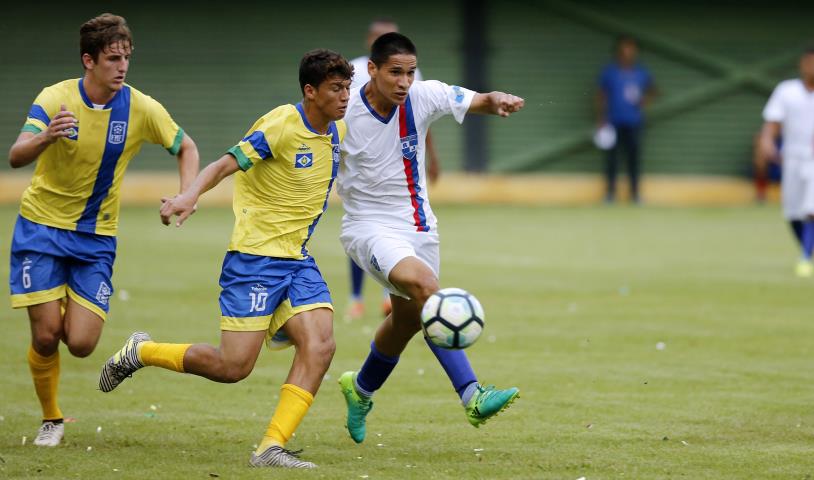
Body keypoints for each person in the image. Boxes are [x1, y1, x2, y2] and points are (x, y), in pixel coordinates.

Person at [98, 49, 352, 469]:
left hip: (296, 258)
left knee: (321, 345)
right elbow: (224, 164)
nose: (344, 96)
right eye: (335, 88)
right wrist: (187, 196)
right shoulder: (281, 126)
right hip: (254, 259)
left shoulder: (335, 131)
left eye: (347, 87)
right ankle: (141, 352)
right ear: (311, 91)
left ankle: (270, 447)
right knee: (232, 366)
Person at [7, 13, 199, 447]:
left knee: (80, 343)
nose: (123, 66)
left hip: (95, 239)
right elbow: (17, 155)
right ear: (88, 61)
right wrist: (46, 137)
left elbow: (185, 146)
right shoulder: (54, 99)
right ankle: (51, 419)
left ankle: (117, 339)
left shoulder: (140, 107)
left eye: (127, 57)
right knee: (45, 334)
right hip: (40, 229)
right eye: (113, 58)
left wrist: (187, 194)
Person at [336, 32, 523, 444]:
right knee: (427, 290)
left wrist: (499, 101)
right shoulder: (343, 109)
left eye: (410, 72)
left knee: (406, 322)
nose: (404, 82)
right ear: (372, 70)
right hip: (368, 227)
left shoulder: (425, 95)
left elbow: (479, 99)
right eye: (395, 73)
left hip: (420, 227)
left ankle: (360, 389)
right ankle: (473, 394)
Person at [344, 18, 441, 321]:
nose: (403, 79)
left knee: (398, 249)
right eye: (379, 36)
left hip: (399, 159)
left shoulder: (410, 72)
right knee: (368, 228)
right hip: (364, 164)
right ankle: (356, 297)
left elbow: (422, 115)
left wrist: (433, 158)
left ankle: (389, 296)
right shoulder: (354, 70)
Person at [759, 47, 814, 277]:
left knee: (811, 208)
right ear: (801, 65)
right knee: (793, 212)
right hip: (791, 156)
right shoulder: (786, 90)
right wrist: (767, 141)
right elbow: (773, 121)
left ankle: (805, 258)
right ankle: (806, 249)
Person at [596, 34, 655, 204]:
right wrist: (601, 119)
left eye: (631, 48)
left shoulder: (641, 73)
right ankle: (610, 194)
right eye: (625, 48)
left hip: (634, 122)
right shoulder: (610, 72)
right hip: (613, 121)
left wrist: (645, 101)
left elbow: (653, 90)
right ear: (619, 51)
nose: (628, 51)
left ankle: (635, 194)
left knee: (634, 158)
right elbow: (601, 95)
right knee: (612, 159)